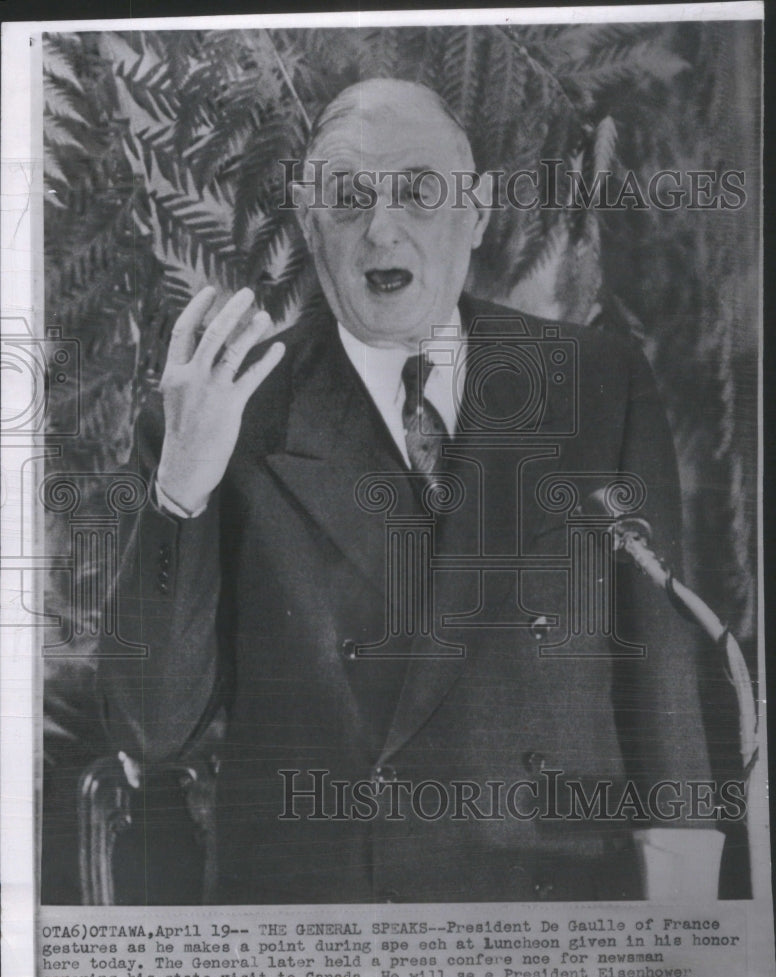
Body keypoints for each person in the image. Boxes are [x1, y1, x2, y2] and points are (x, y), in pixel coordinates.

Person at [97, 78, 722, 904]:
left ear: (478, 209)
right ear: (307, 216)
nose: (381, 228)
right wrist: (182, 488)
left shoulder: (593, 383)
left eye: (419, 192)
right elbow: (151, 728)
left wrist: (687, 912)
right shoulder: (224, 415)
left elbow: (660, 670)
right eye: (347, 196)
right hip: (328, 924)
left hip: (553, 907)